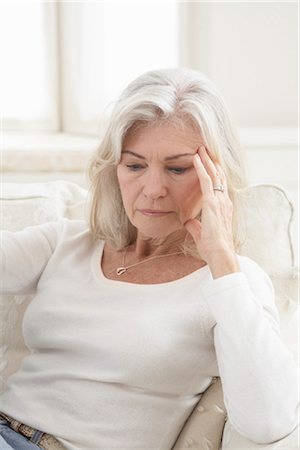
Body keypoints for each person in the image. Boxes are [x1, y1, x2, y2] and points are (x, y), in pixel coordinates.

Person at [0, 68, 298, 450]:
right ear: (114, 169)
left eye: (178, 169)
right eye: (135, 166)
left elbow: (269, 422)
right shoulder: (68, 243)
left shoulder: (233, 283)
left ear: (217, 177)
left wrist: (222, 259)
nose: (153, 190)